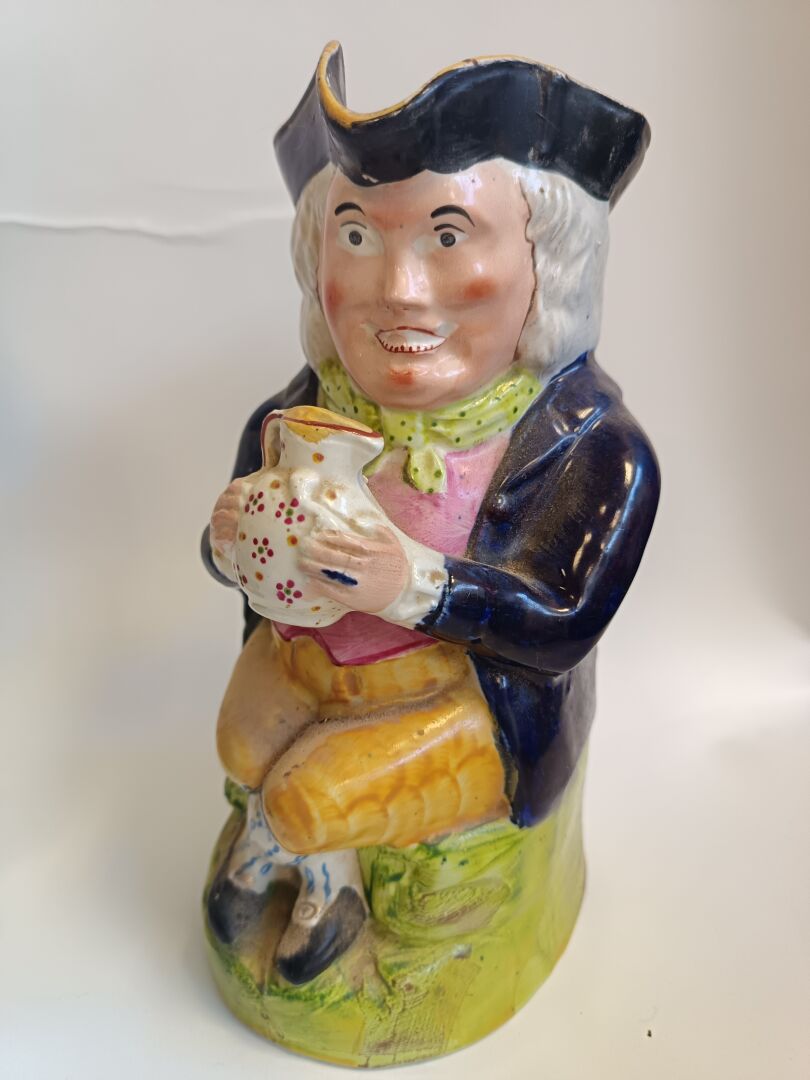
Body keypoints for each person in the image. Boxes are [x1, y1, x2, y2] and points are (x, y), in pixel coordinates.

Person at [202, 43, 660, 988]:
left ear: (549, 263)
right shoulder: (299, 411)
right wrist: (229, 542)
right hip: (305, 660)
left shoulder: (590, 450)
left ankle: (319, 873)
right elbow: (231, 546)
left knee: (310, 792)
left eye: (449, 237)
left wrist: (411, 583)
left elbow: (562, 626)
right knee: (241, 744)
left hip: (461, 706)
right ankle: (304, 855)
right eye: (357, 236)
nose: (399, 290)